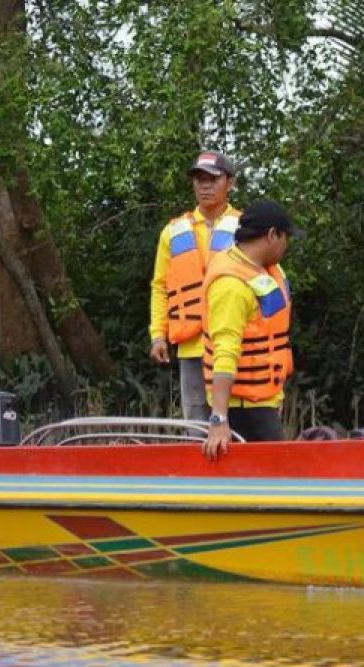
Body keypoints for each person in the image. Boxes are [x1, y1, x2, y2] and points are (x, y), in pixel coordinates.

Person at [201, 200, 303, 459]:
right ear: (272, 235)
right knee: (275, 481)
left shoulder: (263, 269)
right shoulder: (231, 286)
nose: (286, 245)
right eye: (285, 237)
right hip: (243, 409)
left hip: (263, 401)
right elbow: (225, 352)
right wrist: (219, 420)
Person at [149, 151, 241, 421]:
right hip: (191, 346)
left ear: (230, 183)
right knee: (197, 427)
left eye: (212, 179)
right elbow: (160, 286)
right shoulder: (173, 231)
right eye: (199, 179)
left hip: (233, 344)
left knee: (235, 423)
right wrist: (158, 335)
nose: (205, 186)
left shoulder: (246, 227)